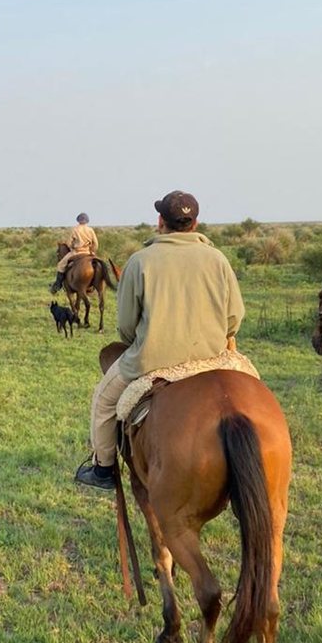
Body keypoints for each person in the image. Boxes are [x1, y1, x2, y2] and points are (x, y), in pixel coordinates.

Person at [75, 190, 245, 490]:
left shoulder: (140, 261)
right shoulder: (218, 259)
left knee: (103, 401)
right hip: (213, 357)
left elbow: (126, 326)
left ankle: (103, 469)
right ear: (194, 223)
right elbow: (234, 317)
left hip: (153, 360)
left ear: (160, 221)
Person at [50, 213, 99, 294]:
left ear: (78, 220)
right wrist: (92, 251)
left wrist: (72, 247)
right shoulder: (90, 230)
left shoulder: (75, 229)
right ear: (87, 220)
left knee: (60, 265)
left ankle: (58, 285)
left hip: (76, 252)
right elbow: (96, 243)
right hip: (88, 252)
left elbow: (69, 243)